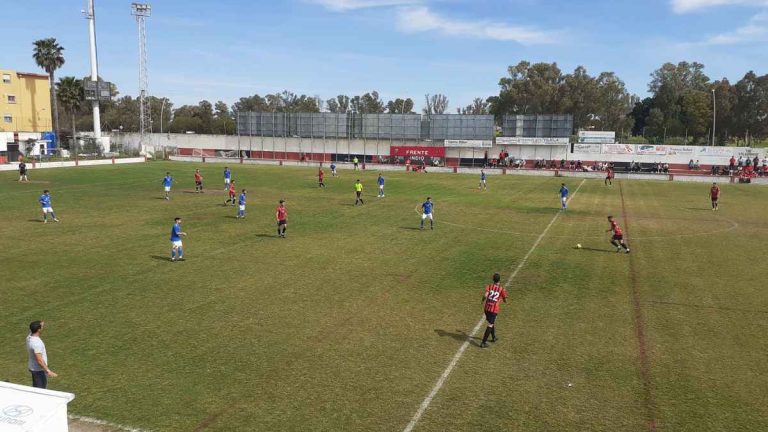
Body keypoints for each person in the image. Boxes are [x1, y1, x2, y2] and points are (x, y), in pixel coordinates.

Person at [27, 320, 58, 389]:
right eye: (42, 327)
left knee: (36, 389)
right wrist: (48, 371)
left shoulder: (29, 337)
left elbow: (33, 328)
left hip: (33, 368)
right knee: (41, 390)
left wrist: (40, 323)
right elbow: (39, 360)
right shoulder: (37, 343)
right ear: (38, 329)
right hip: (39, 371)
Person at [480, 273, 507, 348]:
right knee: (490, 324)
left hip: (486, 308)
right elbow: (505, 299)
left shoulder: (489, 286)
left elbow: (485, 295)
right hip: (493, 310)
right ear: (499, 280)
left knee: (491, 322)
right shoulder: (501, 289)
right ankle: (483, 342)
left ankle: (493, 337)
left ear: (493, 279)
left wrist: (482, 301)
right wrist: (504, 300)